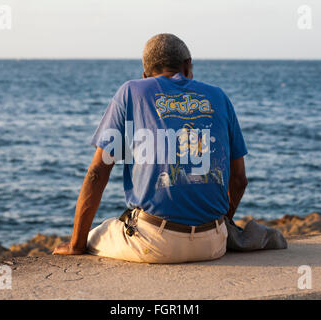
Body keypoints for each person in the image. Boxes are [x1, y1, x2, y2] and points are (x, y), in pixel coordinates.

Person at [53, 33, 249, 263]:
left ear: (145, 75)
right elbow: (239, 180)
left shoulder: (131, 92)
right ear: (187, 66)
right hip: (214, 244)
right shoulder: (218, 96)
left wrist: (76, 244)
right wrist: (217, 226)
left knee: (95, 235)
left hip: (153, 243)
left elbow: (98, 172)